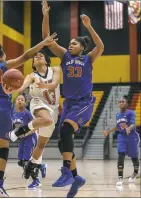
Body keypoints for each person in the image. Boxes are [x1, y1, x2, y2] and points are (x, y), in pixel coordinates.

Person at [0, 33, 57, 197]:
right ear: (0, 56)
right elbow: (27, 55)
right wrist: (42, 43)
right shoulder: (5, 66)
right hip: (2, 105)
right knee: (3, 147)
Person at [41, 0, 104, 197]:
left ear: (82, 48)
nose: (70, 44)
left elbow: (101, 46)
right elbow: (46, 39)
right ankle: (77, 177)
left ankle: (67, 171)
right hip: (68, 104)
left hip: (84, 103)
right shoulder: (65, 56)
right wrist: (45, 15)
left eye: (75, 43)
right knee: (62, 141)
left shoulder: (88, 59)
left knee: (67, 130)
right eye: (70, 42)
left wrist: (89, 26)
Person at [5, 49, 60, 180]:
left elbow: (55, 83)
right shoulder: (32, 76)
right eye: (35, 57)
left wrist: (45, 85)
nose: (38, 55)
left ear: (47, 61)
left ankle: (31, 164)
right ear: (34, 65)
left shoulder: (56, 69)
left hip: (54, 108)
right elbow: (21, 87)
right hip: (38, 103)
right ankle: (19, 131)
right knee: (47, 120)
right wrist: (11, 89)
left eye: (41, 55)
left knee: (41, 145)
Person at [103, 95, 140, 186]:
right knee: (121, 154)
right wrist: (109, 131)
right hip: (122, 137)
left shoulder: (131, 113)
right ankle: (120, 178)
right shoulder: (117, 115)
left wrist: (128, 128)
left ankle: (135, 173)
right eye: (119, 102)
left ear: (127, 104)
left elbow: (133, 124)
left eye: (123, 101)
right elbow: (118, 126)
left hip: (132, 137)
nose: (121, 103)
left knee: (134, 158)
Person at [12, 95, 47, 188]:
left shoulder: (28, 114)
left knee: (26, 161)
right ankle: (41, 166)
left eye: (22, 100)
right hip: (22, 139)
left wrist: (26, 134)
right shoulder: (14, 114)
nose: (20, 101)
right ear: (15, 102)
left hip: (30, 138)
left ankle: (36, 181)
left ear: (25, 102)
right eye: (18, 99)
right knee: (21, 162)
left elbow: (36, 126)